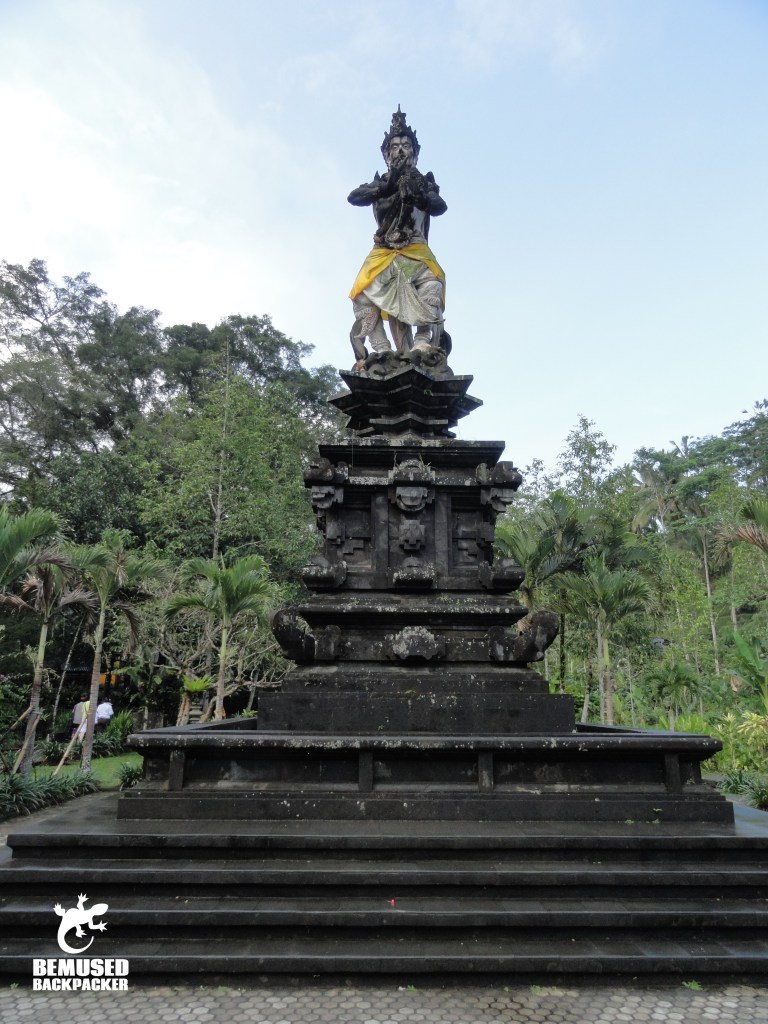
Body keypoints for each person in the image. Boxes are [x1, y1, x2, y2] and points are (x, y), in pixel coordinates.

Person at [348, 107, 449, 366]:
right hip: (384, 251)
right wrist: (388, 185)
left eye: (406, 145)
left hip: (415, 249)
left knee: (433, 283)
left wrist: (417, 194)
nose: (401, 150)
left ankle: (423, 338)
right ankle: (381, 348)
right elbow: (354, 197)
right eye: (395, 146)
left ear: (414, 152)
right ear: (386, 153)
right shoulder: (379, 185)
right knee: (361, 293)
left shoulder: (423, 183)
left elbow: (439, 206)